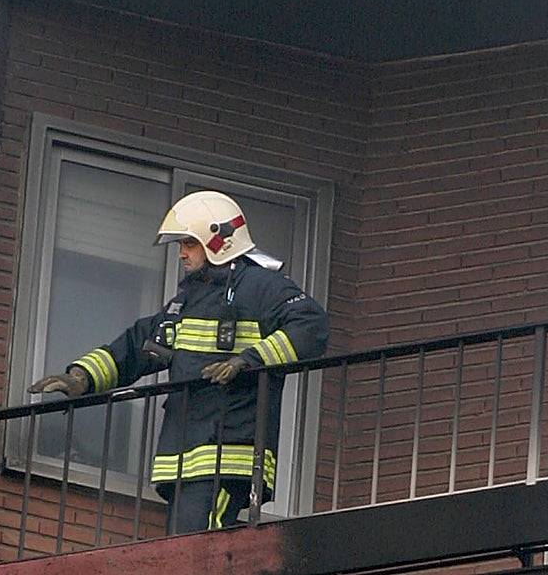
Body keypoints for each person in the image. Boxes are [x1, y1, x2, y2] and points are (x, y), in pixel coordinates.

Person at [29, 190, 329, 532]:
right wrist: (83, 376)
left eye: (189, 243)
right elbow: (138, 344)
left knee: (201, 552)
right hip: (183, 456)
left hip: (228, 453)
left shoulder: (262, 286)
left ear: (219, 240)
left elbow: (312, 326)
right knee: (184, 550)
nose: (182, 253)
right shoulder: (188, 300)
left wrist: (249, 359)